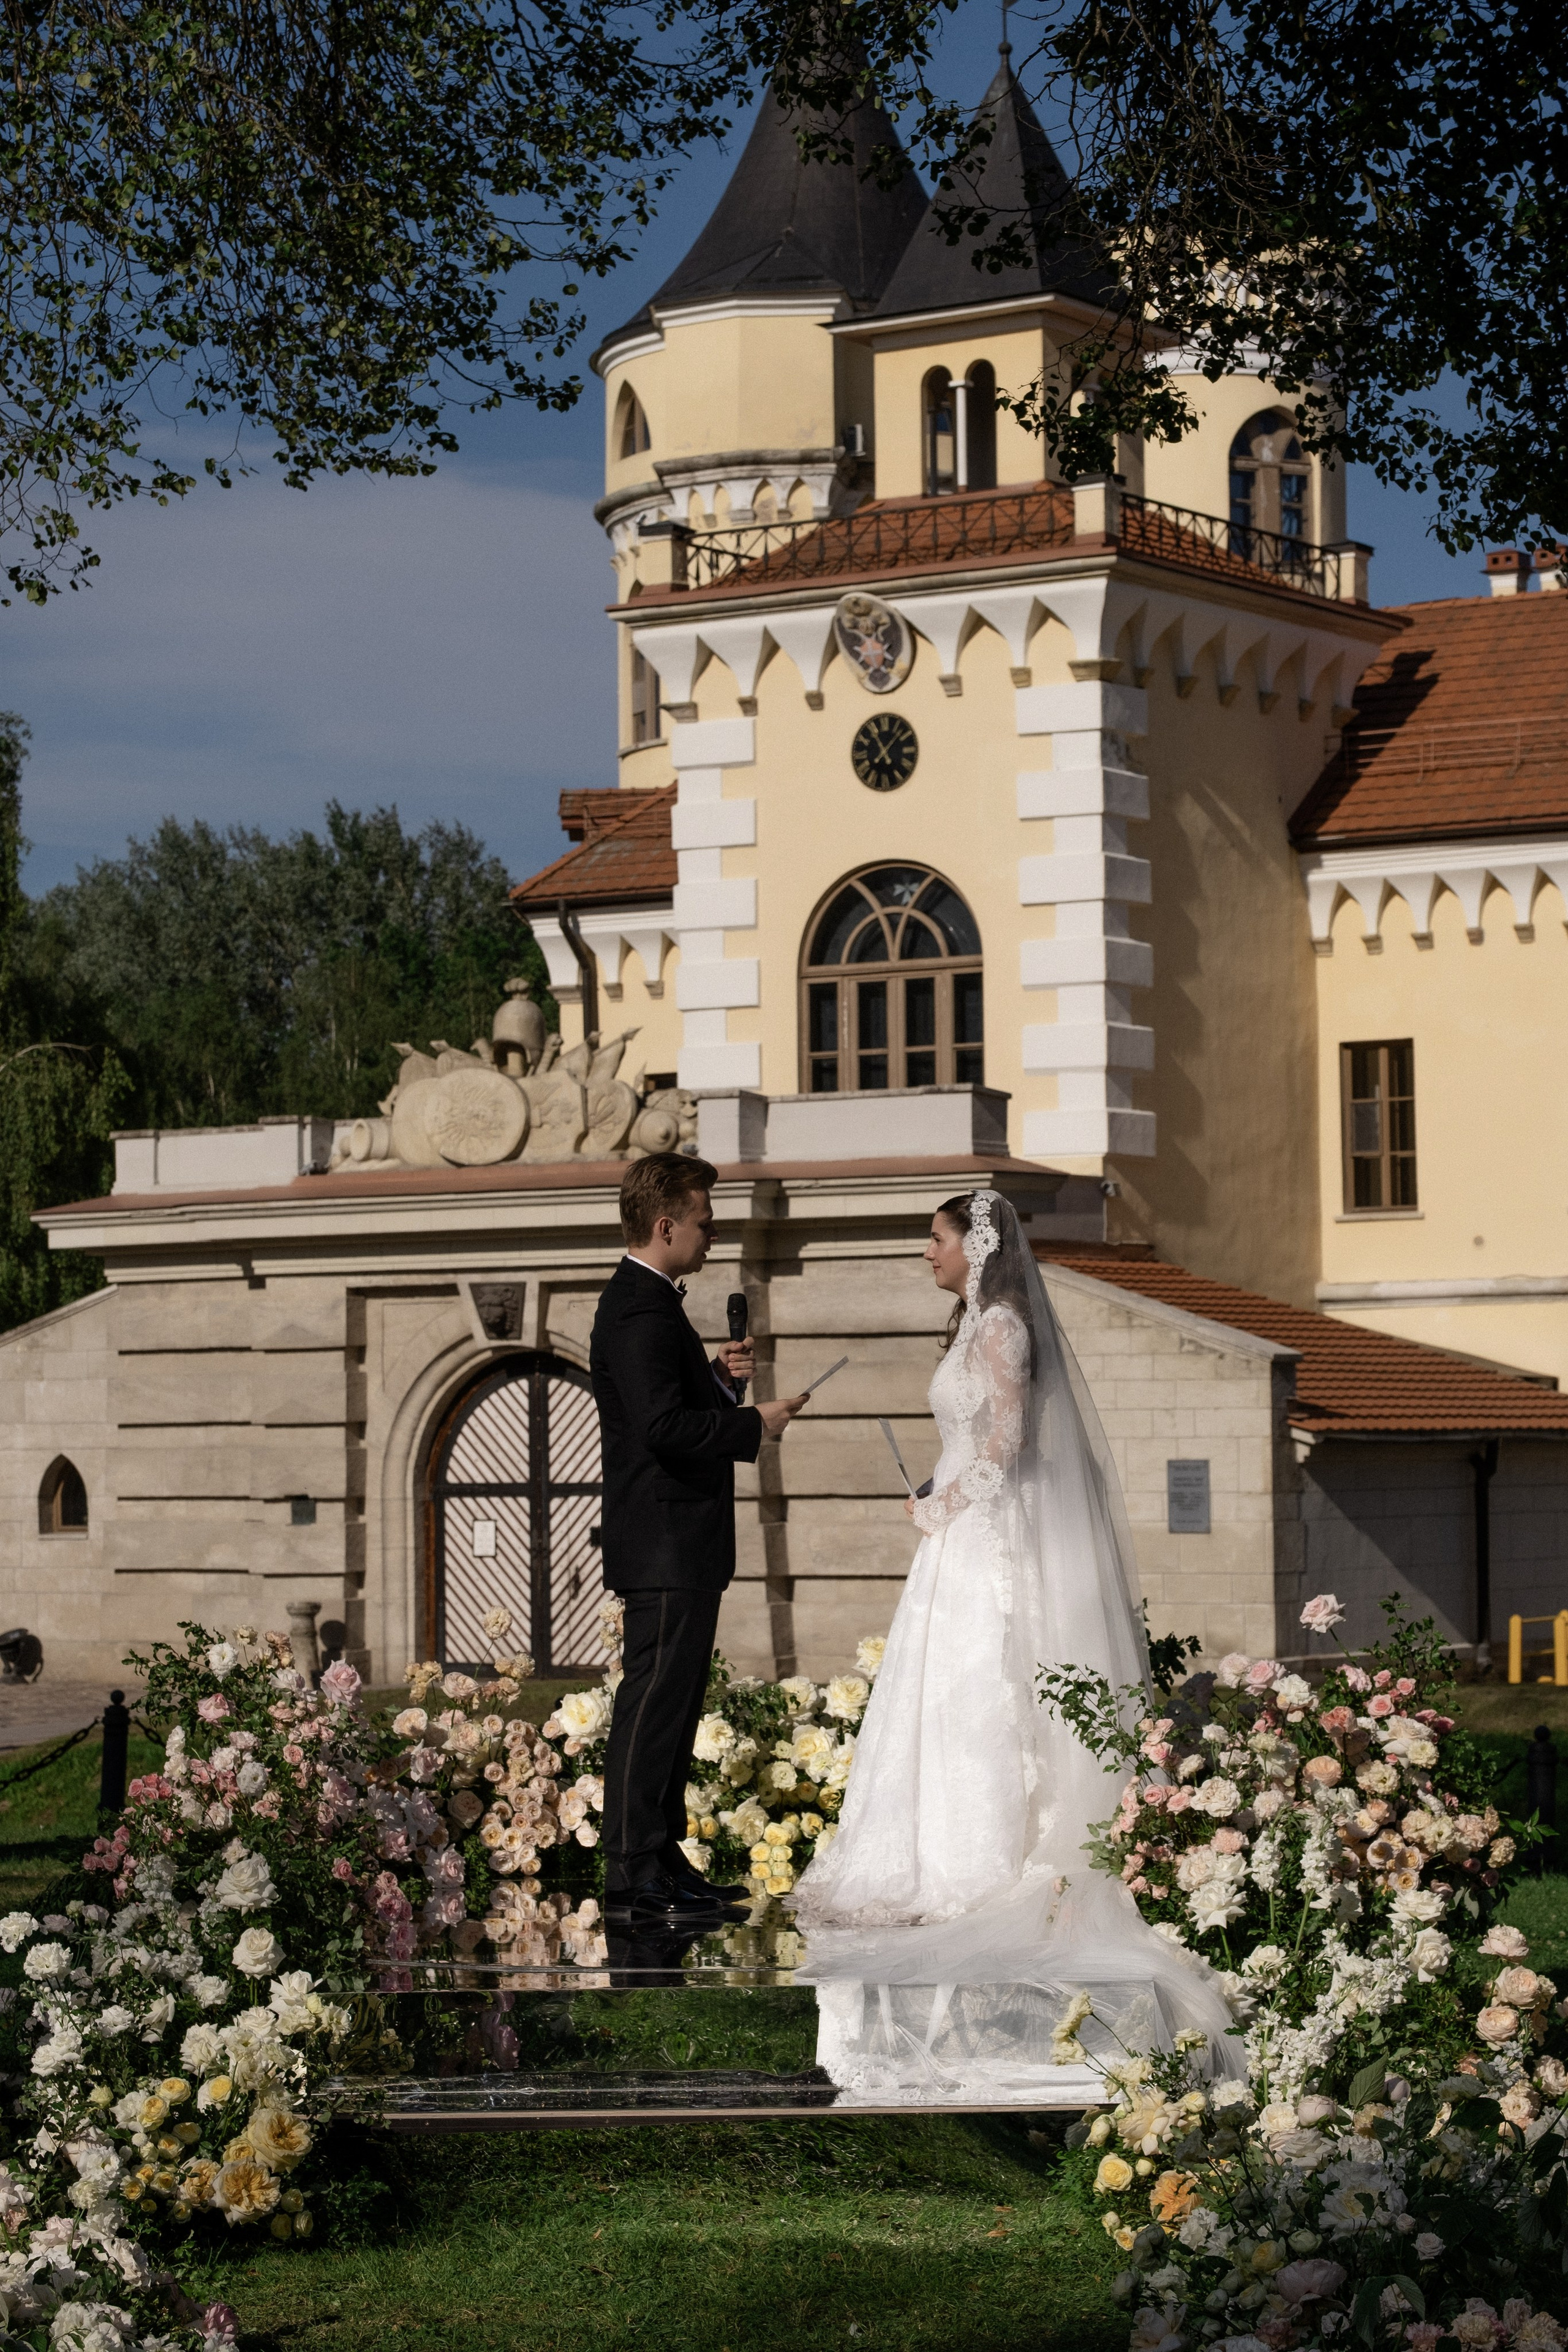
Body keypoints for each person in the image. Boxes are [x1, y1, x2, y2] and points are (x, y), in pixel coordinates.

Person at [791, 1186, 1239, 2100]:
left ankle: (987, 1861)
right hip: (958, 1540)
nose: (927, 1253)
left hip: (984, 1543)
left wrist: (943, 1505)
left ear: (976, 1247)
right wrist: (937, 1491)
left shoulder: (1001, 1326)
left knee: (983, 1694)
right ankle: (933, 1853)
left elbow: (1007, 1440)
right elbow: (972, 1443)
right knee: (945, 1698)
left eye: (936, 1238)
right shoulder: (968, 1326)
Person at [590, 1152, 808, 1928]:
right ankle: (629, 1869)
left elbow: (670, 1409)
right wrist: (755, 1422)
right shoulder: (639, 1309)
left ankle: (657, 1855)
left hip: (680, 1540)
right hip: (664, 1540)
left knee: (675, 1705)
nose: (712, 1234)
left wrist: (717, 1382)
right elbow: (660, 1428)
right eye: (705, 1221)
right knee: (652, 1703)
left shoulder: (651, 1306)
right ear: (665, 1225)